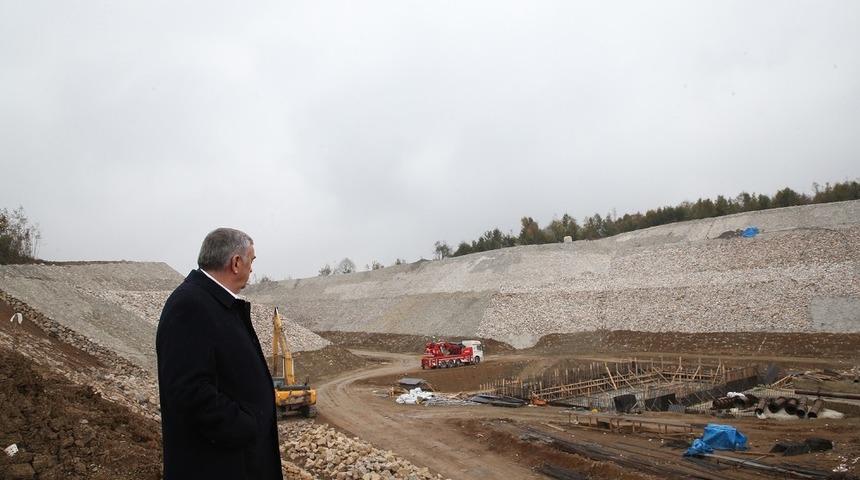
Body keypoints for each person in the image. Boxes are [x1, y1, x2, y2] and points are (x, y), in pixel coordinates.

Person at [156, 228, 282, 480]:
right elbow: (188, 391)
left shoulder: (214, 303)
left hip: (236, 460)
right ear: (236, 263)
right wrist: (245, 426)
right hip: (220, 465)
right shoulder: (190, 306)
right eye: (251, 260)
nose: (252, 269)